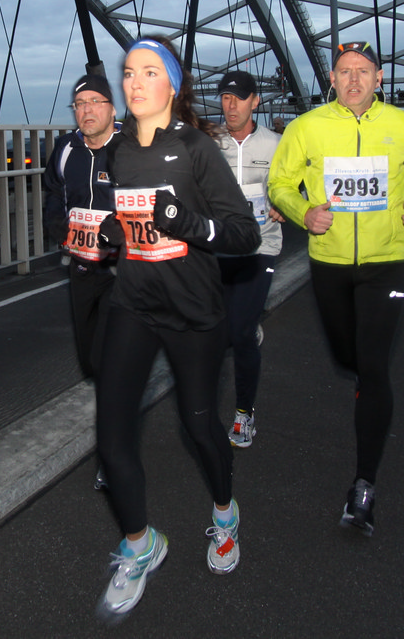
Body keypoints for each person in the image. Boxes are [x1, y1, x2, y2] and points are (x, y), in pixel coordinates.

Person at [93, 36, 260, 620]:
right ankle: (140, 544)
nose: (134, 82)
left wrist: (188, 223)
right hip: (134, 303)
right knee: (110, 434)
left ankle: (225, 512)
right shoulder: (118, 151)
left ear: (173, 84)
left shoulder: (195, 148)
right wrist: (113, 233)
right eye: (128, 73)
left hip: (193, 310)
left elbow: (244, 233)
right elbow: (128, 223)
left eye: (149, 72)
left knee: (199, 426)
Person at [268, 41, 404, 537]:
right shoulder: (307, 127)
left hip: (386, 262)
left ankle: (364, 485)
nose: (355, 79)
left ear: (379, 78)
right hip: (331, 263)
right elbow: (280, 183)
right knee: (349, 358)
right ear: (332, 79)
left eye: (364, 71)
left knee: (374, 366)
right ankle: (362, 376)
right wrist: (304, 212)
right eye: (345, 71)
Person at [213, 70, 283, 448]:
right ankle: (247, 325)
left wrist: (284, 205)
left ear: (255, 101)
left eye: (239, 98)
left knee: (239, 332)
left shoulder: (276, 144)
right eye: (225, 98)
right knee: (221, 330)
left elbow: (294, 185)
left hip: (260, 247)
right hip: (218, 249)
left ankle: (244, 414)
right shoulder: (211, 143)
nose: (231, 105)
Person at [41, 72, 120, 381]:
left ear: (112, 108)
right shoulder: (65, 148)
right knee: (89, 362)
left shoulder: (130, 148)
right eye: (79, 104)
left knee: (108, 355)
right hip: (81, 264)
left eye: (95, 102)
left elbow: (151, 198)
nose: (87, 110)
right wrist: (56, 224)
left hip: (122, 268)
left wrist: (120, 228)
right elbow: (53, 188)